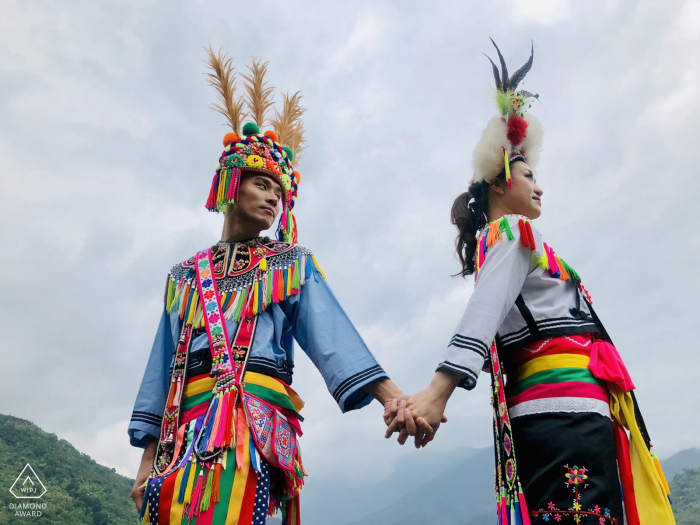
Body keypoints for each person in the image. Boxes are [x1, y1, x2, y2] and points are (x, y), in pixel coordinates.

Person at [385, 40, 676, 525]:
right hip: (565, 414)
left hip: (561, 412)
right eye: (528, 173)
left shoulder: (501, 241)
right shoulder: (513, 233)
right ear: (500, 182)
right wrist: (438, 392)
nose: (538, 185)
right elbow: (485, 310)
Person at [128, 47, 405, 525]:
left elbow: (332, 339)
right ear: (231, 184)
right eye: (262, 184)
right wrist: (145, 463)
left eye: (280, 192)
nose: (273, 197)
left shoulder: (289, 264)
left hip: (250, 430)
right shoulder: (185, 276)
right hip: (181, 435)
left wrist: (394, 398)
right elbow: (160, 371)